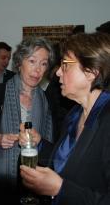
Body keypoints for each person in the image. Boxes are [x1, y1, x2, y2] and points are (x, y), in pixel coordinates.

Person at [20, 32, 110, 205]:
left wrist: (60, 189)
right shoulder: (74, 114)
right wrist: (39, 143)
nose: (58, 72)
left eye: (66, 64)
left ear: (91, 71)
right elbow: (67, 160)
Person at [0, 37, 55, 204]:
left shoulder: (46, 100)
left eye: (43, 63)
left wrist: (39, 141)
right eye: (32, 61)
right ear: (19, 63)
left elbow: (50, 146)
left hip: (35, 181)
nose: (37, 70)